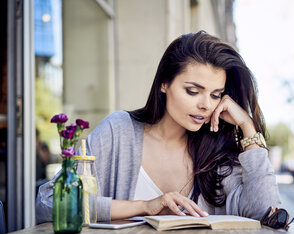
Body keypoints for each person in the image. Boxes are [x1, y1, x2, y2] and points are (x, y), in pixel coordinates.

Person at [36, 31, 281, 224]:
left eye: (216, 95)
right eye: (192, 91)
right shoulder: (120, 132)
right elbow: (50, 202)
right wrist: (144, 207)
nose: (206, 105)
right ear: (164, 83)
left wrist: (248, 127)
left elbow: (267, 213)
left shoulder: (217, 151)